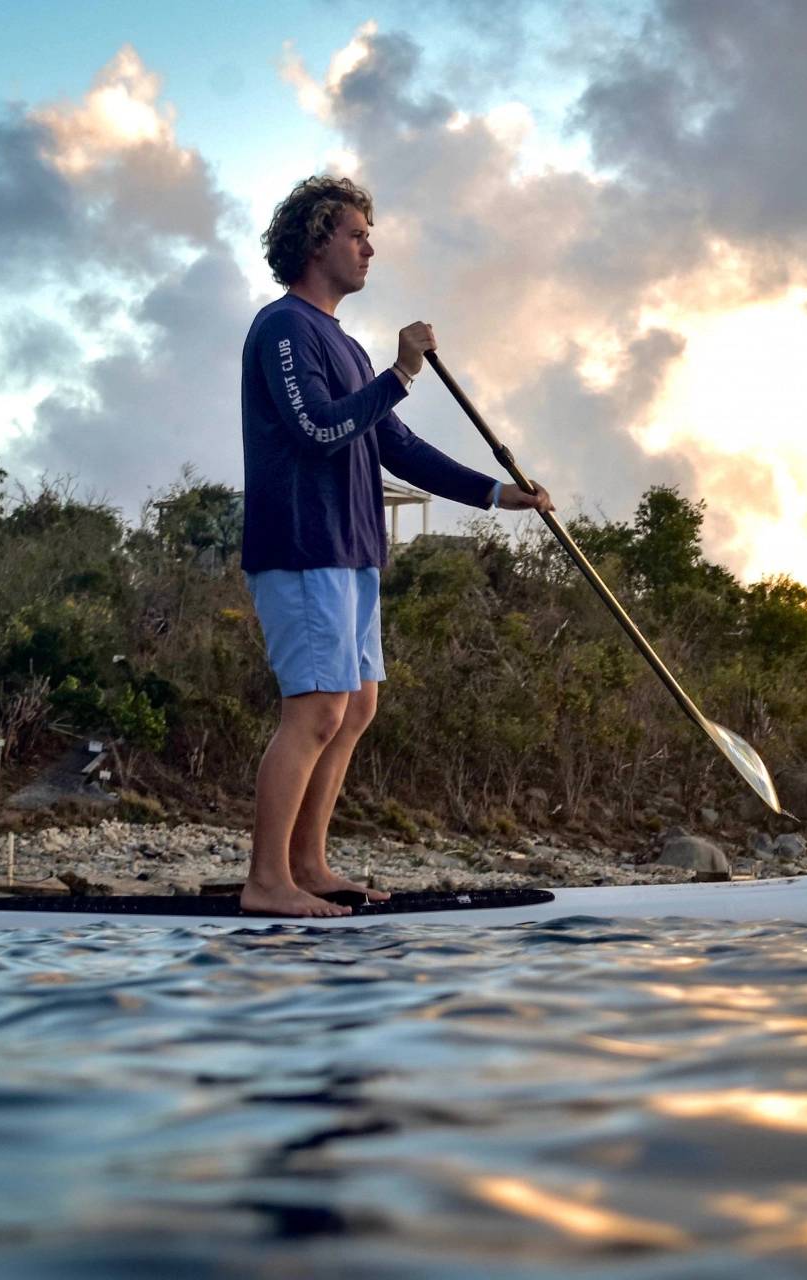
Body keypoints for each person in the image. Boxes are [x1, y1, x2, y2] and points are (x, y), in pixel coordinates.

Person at [239, 175, 555, 917]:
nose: (369, 248)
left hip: (353, 552)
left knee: (355, 710)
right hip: (301, 545)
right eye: (355, 235)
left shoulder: (342, 343)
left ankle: (308, 866)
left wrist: (496, 494)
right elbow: (317, 428)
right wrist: (403, 372)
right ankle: (266, 881)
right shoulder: (283, 328)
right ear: (317, 241)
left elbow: (395, 445)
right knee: (315, 710)